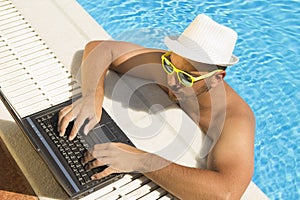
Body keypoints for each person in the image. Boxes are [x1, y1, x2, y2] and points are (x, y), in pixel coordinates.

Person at [58, 14, 255, 199]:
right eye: (170, 66)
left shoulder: (234, 118)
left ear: (216, 79)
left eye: (186, 78)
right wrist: (93, 96)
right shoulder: (170, 66)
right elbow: (101, 49)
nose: (172, 81)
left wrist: (140, 160)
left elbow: (226, 193)